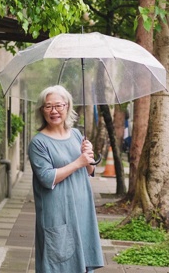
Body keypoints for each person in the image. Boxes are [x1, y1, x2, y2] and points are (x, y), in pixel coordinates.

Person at [28, 85, 104, 273]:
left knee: (83, 262)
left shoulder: (77, 135)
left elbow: (88, 171)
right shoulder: (38, 143)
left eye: (59, 105)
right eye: (48, 106)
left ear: (67, 106)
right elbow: (47, 178)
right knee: (59, 263)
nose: (54, 111)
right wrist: (79, 161)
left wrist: (89, 156)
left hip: (82, 210)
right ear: (42, 110)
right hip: (58, 213)